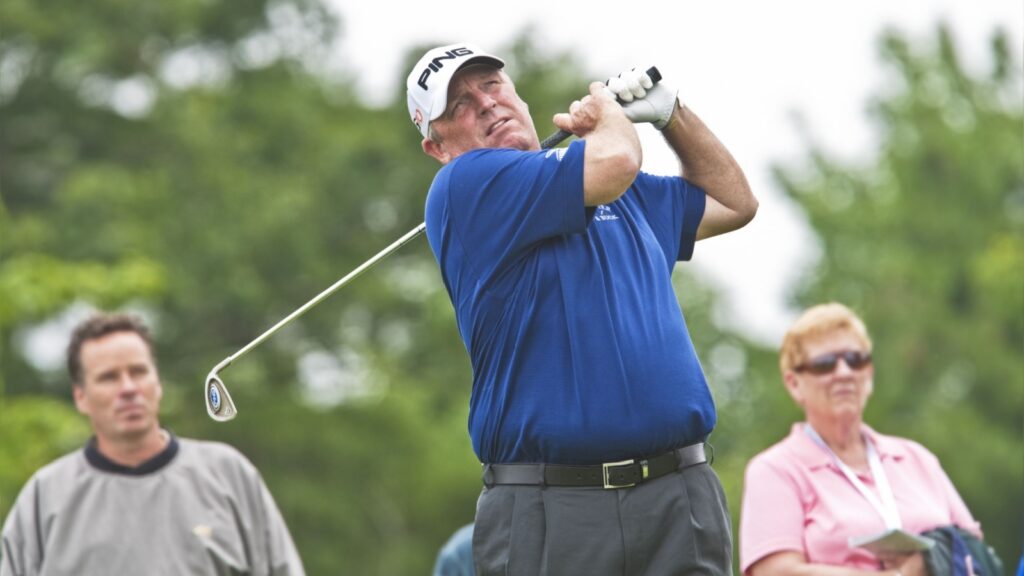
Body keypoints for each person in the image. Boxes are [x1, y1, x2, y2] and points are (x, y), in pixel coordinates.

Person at [407, 43, 757, 575]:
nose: (484, 103)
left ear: (519, 98)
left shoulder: (625, 194)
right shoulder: (464, 186)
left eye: (492, 85)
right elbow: (615, 159)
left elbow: (735, 203)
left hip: (678, 496)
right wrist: (606, 114)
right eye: (457, 105)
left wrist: (673, 116)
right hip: (552, 509)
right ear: (438, 147)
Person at [0, 312, 305, 576]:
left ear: (157, 382)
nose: (129, 388)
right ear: (80, 396)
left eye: (138, 371)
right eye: (109, 377)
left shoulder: (229, 474)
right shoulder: (46, 495)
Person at [739, 302, 983, 576]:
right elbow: (775, 573)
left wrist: (931, 560)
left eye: (856, 360)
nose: (844, 372)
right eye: (825, 364)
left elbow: (975, 551)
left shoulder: (916, 457)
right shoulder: (776, 469)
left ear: (869, 373)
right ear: (794, 384)